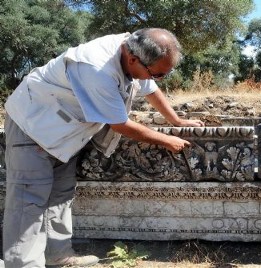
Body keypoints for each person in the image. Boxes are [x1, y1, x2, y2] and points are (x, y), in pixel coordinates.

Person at [2, 28, 204, 267]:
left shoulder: (135, 53)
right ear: (132, 60)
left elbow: (150, 89)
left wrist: (176, 121)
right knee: (29, 201)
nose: (156, 79)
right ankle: (22, 263)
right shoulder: (96, 69)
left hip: (65, 131)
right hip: (33, 125)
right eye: (157, 74)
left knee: (61, 195)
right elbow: (120, 124)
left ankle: (58, 255)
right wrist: (166, 139)